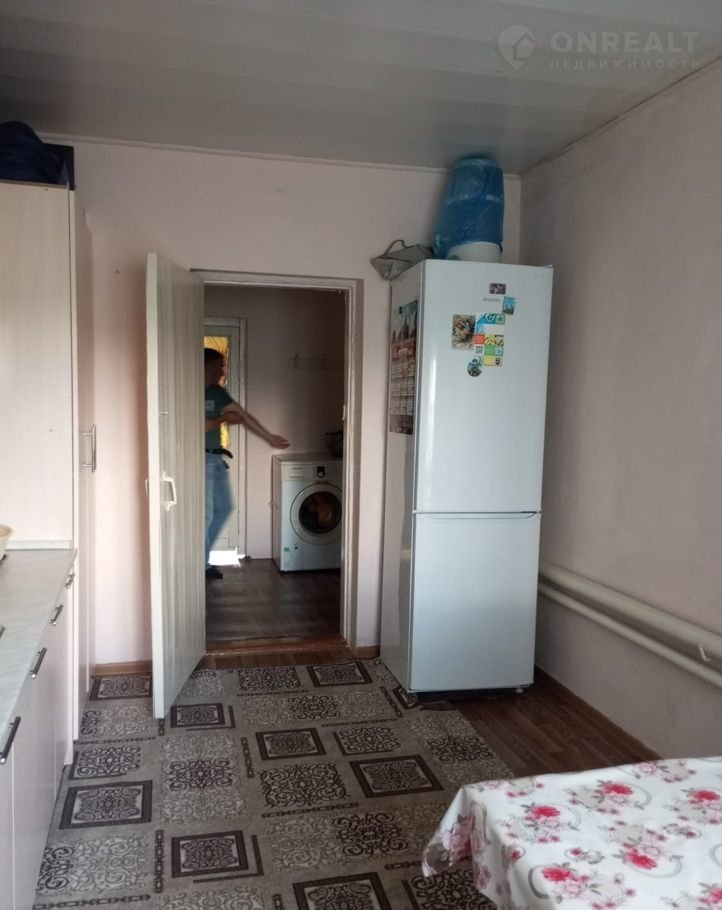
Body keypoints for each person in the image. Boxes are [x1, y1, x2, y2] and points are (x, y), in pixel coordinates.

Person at [204, 347, 289, 580]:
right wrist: (223, 418)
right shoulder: (191, 389)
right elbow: (201, 425)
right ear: (207, 366)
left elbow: (243, 415)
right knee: (206, 515)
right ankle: (201, 565)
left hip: (216, 458)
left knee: (225, 508)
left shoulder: (218, 392)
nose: (223, 371)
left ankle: (201, 561)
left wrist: (269, 437)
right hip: (199, 458)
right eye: (219, 366)